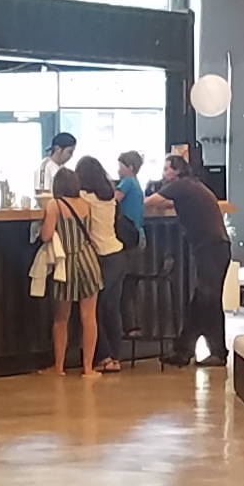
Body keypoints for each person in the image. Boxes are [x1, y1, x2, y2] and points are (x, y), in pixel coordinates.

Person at [155, 145, 231, 366]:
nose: (163, 174)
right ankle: (183, 351)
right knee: (200, 301)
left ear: (177, 171)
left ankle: (217, 352)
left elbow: (150, 202)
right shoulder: (192, 185)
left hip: (210, 248)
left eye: (166, 169)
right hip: (216, 247)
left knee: (208, 300)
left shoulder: (179, 184)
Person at [42, 156, 105, 377]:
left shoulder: (55, 205)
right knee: (89, 317)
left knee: (62, 318)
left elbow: (46, 235)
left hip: (66, 264)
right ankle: (88, 368)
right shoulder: (85, 204)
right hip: (88, 261)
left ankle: (59, 367)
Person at [98, 150, 149, 369]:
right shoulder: (136, 183)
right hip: (138, 237)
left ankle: (129, 326)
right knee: (129, 285)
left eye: (121, 165)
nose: (118, 169)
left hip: (128, 239)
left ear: (129, 167)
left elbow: (112, 200)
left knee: (121, 288)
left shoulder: (127, 182)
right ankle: (131, 325)